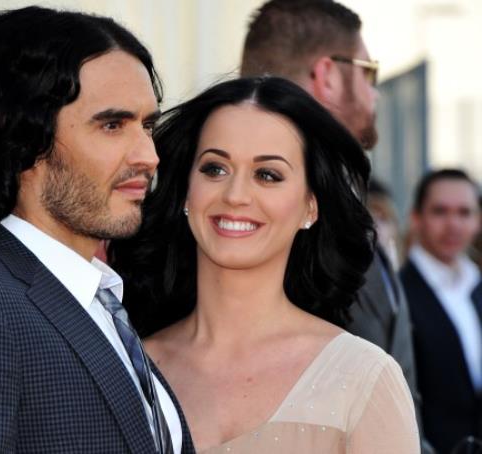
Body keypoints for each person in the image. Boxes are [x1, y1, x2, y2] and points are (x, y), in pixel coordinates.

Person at [0, 7, 194, 453]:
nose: (149, 155)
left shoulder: (100, 302)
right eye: (112, 125)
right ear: (25, 137)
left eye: (147, 125)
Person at [109, 76, 419, 453]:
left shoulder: (363, 378)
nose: (236, 195)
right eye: (214, 169)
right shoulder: (127, 368)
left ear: (310, 205)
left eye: (267, 175)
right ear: (186, 190)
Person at [239, 2, 430, 450]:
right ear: (327, 75)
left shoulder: (342, 195)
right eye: (369, 72)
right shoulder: (270, 220)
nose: (375, 92)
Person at [400, 169, 482, 454]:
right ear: (416, 218)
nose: (453, 225)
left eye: (464, 212)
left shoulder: (477, 287)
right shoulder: (398, 295)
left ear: (478, 220)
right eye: (440, 212)